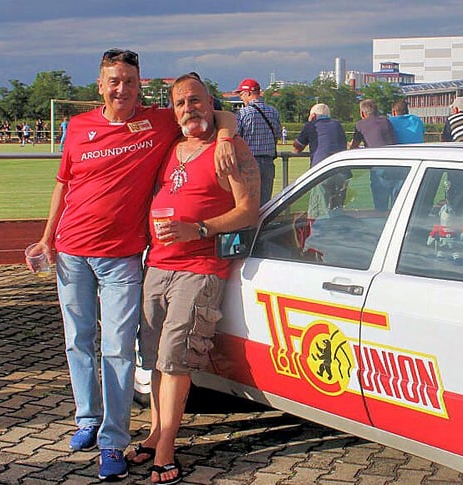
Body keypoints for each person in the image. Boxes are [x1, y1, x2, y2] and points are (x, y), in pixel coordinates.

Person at [24, 49, 237, 481]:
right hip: (71, 253)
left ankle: (113, 440)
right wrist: (48, 238)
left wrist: (228, 136)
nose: (122, 89)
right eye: (114, 81)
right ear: (100, 85)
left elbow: (220, 113)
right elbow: (62, 186)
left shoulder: (158, 120)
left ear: (140, 86)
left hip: (121, 257)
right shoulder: (79, 127)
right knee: (78, 340)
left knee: (119, 349)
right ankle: (87, 418)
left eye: (130, 82)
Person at [128, 73, 261, 485]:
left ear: (211, 102)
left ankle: (167, 448)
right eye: (182, 103)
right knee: (152, 357)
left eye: (197, 101)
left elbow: (248, 211)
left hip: (199, 268)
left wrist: (199, 229)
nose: (190, 109)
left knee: (175, 358)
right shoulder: (172, 145)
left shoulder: (229, 148)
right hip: (158, 265)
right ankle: (154, 433)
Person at [234, 78, 281, 205]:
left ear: (248, 93)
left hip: (248, 161)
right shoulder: (273, 112)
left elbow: (236, 138)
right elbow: (277, 135)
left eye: (241, 94)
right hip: (268, 162)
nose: (241, 98)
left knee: (247, 202)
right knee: (265, 203)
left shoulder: (243, 113)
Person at [293, 103, 347, 167]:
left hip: (320, 167)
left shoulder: (311, 125)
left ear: (313, 116)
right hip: (340, 166)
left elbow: (298, 146)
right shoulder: (337, 124)